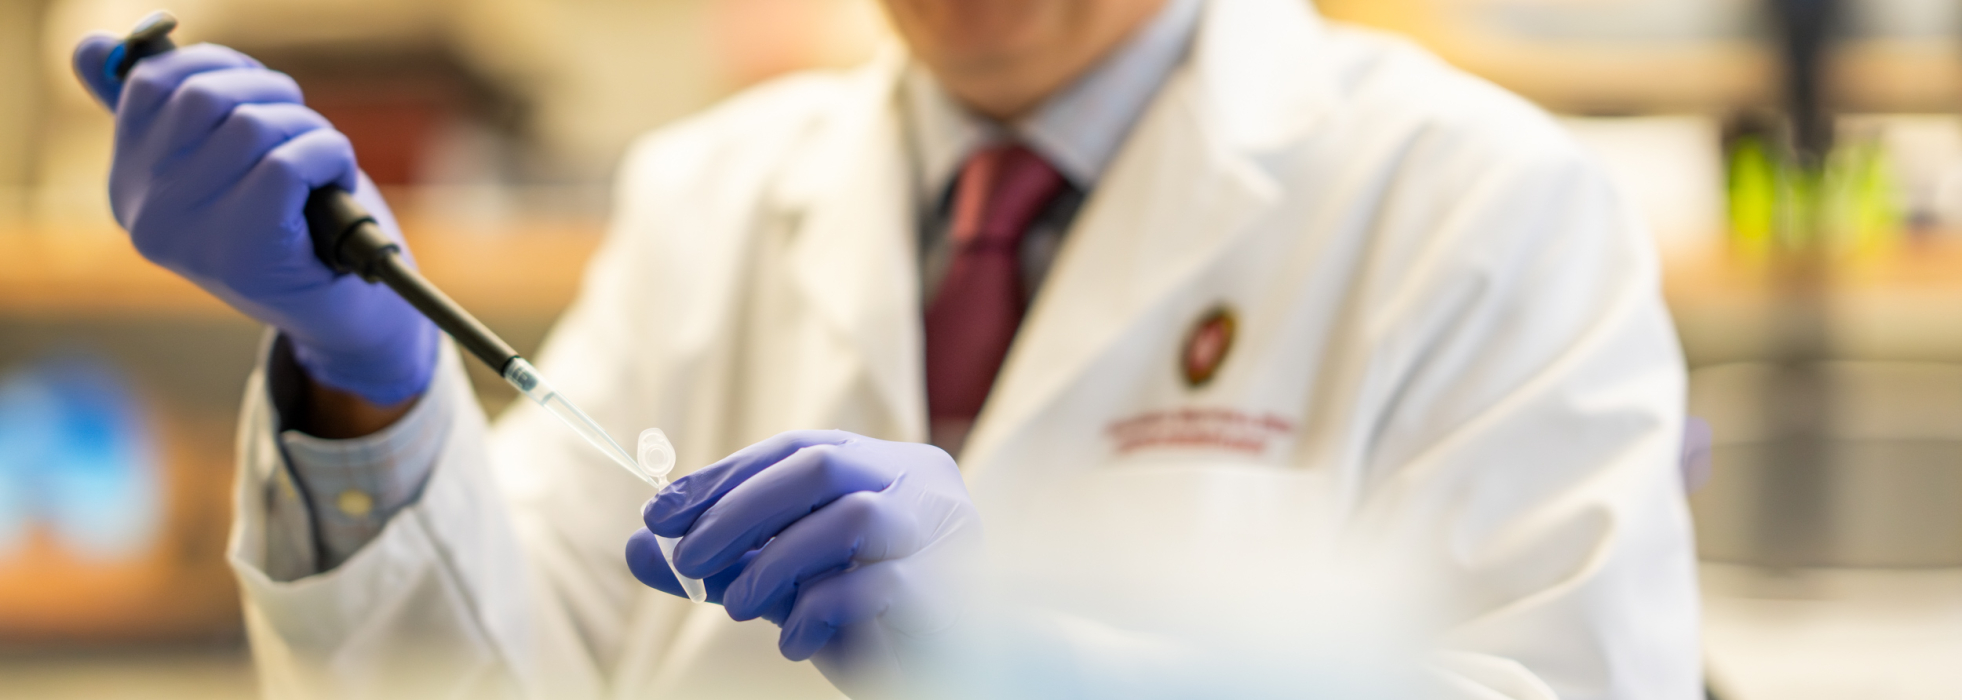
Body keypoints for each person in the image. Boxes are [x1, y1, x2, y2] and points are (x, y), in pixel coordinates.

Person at [72, 0, 1701, 697]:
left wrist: (1026, 665)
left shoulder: (1481, 204)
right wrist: (366, 383)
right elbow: (487, 683)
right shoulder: (715, 194)